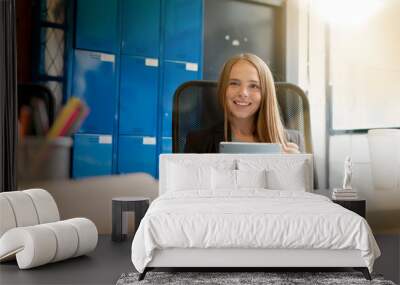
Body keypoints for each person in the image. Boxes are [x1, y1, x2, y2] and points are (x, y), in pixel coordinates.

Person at [184, 53, 301, 154]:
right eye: (234, 83)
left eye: (254, 86)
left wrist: (292, 168)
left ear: (266, 94)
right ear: (223, 89)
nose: (243, 93)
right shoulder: (198, 142)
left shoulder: (294, 141)